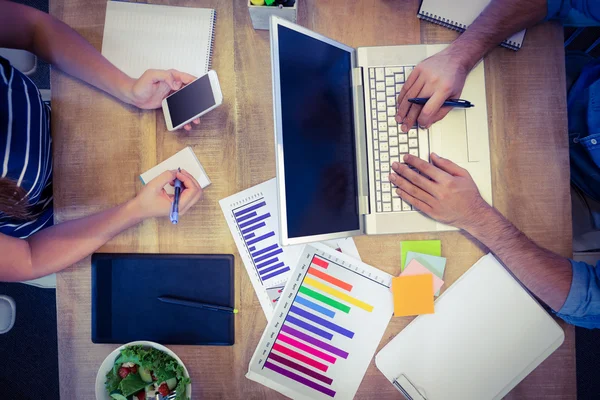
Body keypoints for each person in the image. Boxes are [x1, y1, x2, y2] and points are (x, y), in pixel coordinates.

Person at [391, 0, 600, 328]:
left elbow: (590, 301)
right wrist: (460, 55)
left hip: (571, 194)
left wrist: (475, 217)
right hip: (558, 81)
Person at [0, 2, 203, 281]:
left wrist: (130, 90)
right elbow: (29, 259)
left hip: (65, 121)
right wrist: (135, 211)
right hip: (59, 228)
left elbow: (34, 29)